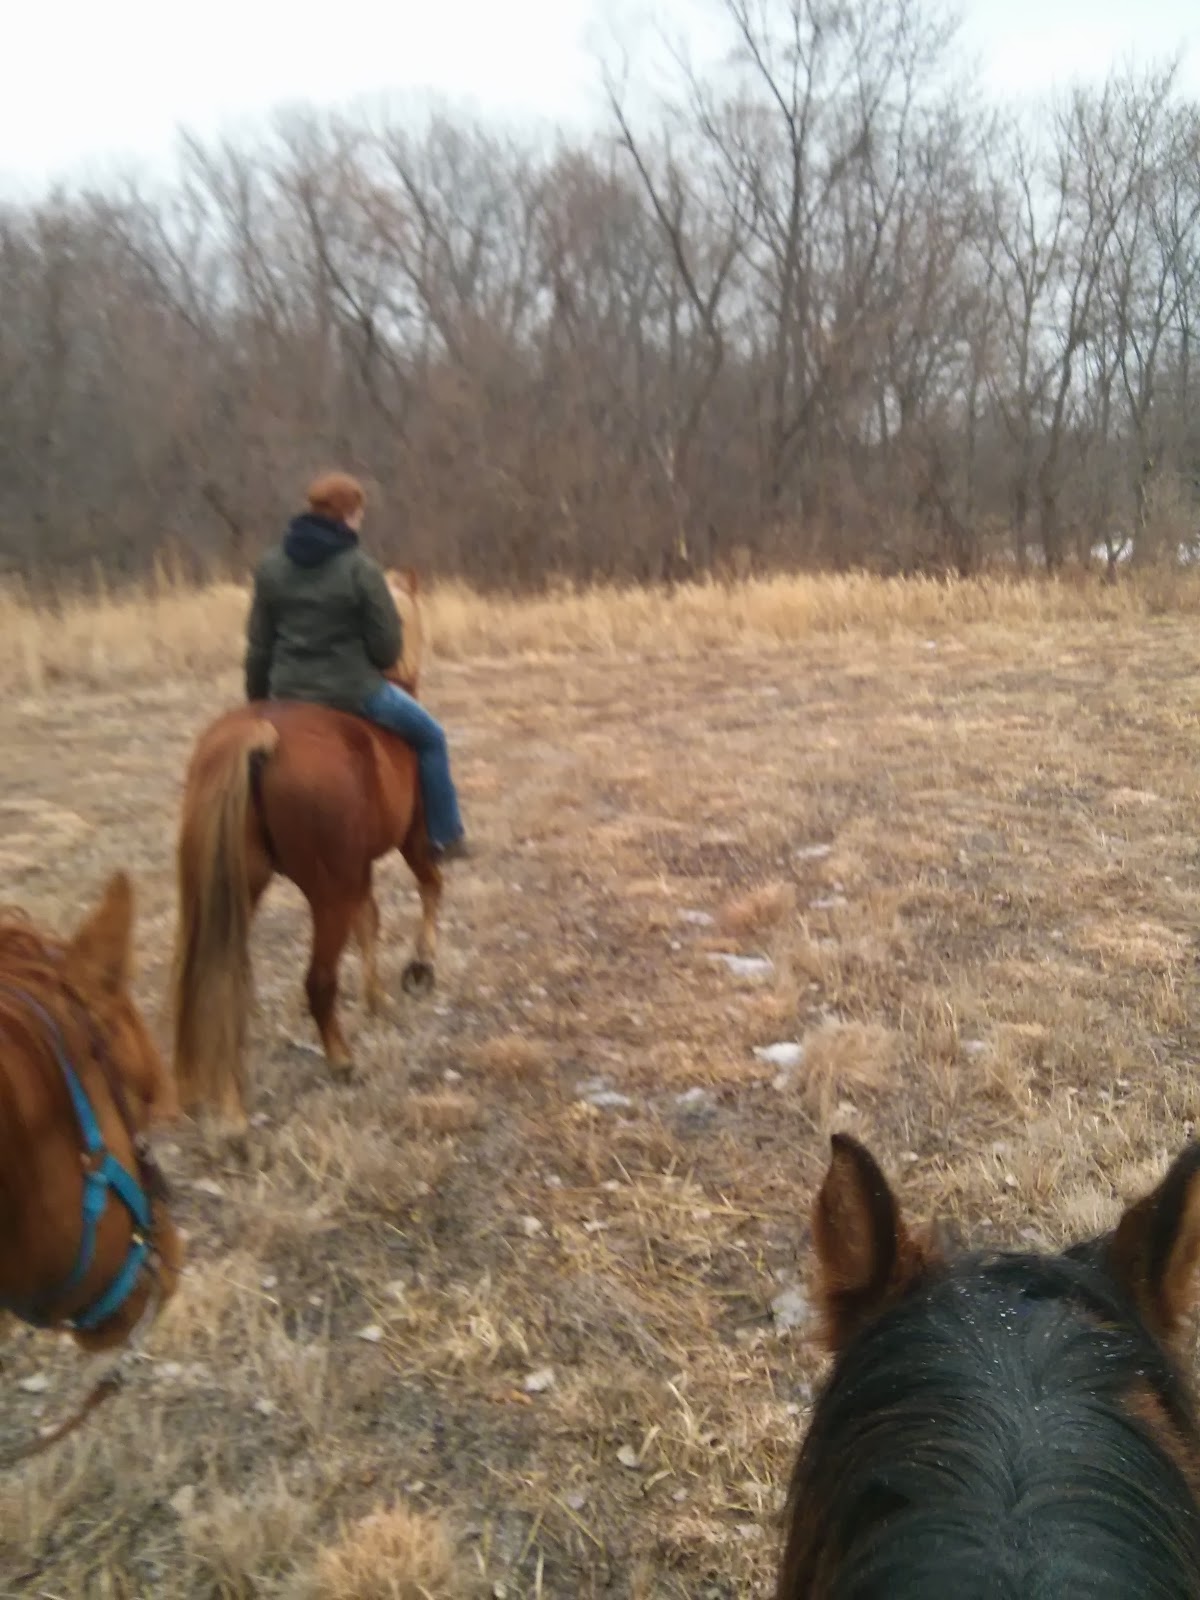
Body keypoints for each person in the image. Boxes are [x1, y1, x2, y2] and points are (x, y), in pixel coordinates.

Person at [244, 471, 468, 862]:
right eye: (359, 513)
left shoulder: (270, 567)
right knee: (432, 736)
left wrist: (259, 702)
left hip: (286, 693)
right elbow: (385, 652)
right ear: (349, 514)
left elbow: (260, 645)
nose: (360, 521)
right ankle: (444, 836)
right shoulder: (361, 570)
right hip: (353, 692)